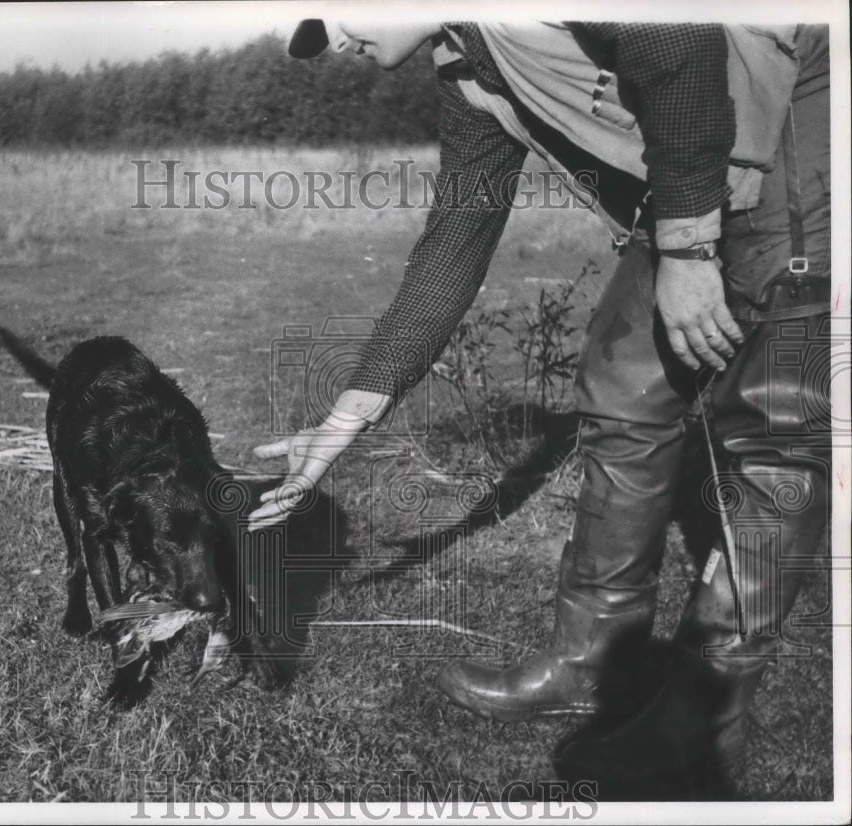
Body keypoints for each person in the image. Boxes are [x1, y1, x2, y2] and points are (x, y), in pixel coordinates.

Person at [249, 17, 831, 795]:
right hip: (692, 169)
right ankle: (592, 658)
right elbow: (452, 250)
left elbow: (680, 38)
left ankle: (706, 710)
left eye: (329, 18)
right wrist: (339, 427)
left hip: (792, 120)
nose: (332, 43)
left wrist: (689, 252)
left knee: (775, 433)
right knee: (623, 387)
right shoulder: (467, 70)